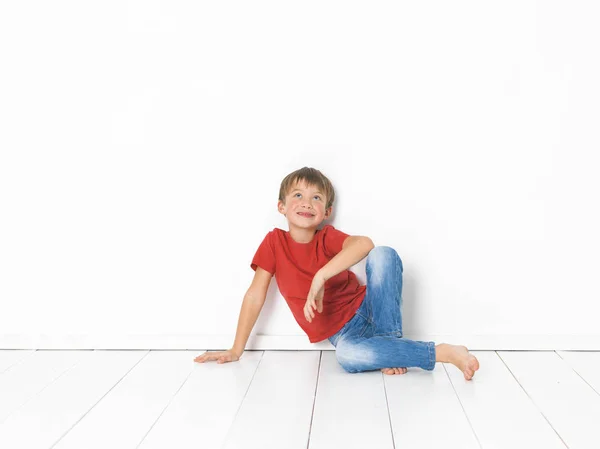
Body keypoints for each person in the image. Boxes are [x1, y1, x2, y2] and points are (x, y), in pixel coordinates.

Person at [194, 167, 480, 380]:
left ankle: (399, 347)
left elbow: (364, 244)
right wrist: (236, 349)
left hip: (371, 307)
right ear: (281, 207)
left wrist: (320, 276)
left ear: (327, 211)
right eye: (298, 195)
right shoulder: (274, 243)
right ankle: (420, 351)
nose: (306, 202)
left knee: (384, 254)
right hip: (345, 335)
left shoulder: (326, 237)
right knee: (347, 356)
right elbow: (255, 295)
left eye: (316, 198)